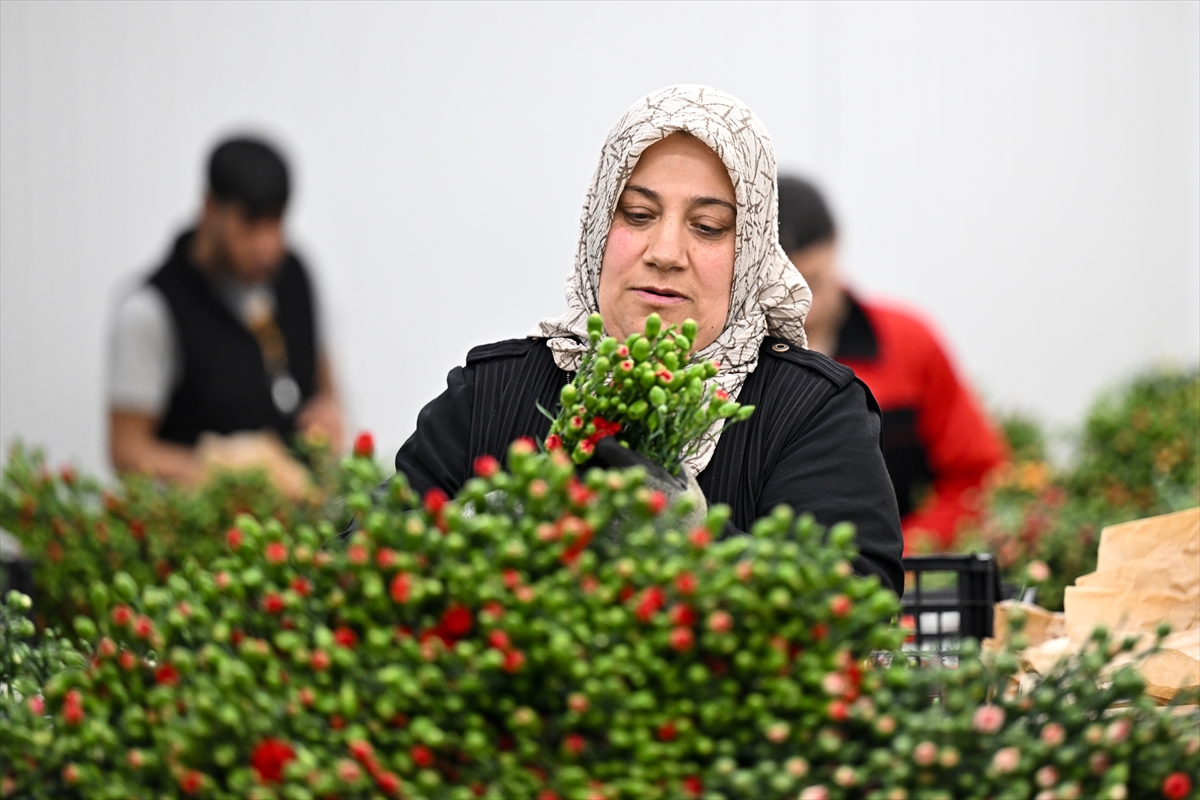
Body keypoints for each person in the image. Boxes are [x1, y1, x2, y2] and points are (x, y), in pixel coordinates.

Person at [395, 86, 904, 593]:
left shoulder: (810, 412)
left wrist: (693, 542)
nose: (665, 253)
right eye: (638, 215)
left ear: (750, 253)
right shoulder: (491, 393)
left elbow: (854, 602)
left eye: (707, 226)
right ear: (598, 226)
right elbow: (366, 565)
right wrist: (491, 525)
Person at [777, 176, 1005, 551]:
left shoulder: (909, 343)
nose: (802, 305)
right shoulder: (725, 360)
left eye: (813, 283)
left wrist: (901, 555)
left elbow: (977, 477)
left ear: (835, 243)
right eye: (783, 288)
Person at [107, 136, 344, 487]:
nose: (267, 245)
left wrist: (326, 412)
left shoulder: (295, 275)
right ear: (209, 208)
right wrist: (228, 472)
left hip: (303, 511)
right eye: (249, 223)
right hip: (202, 517)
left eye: (276, 221)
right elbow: (127, 450)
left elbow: (324, 383)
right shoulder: (151, 310)